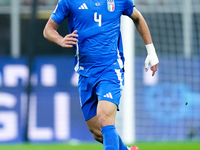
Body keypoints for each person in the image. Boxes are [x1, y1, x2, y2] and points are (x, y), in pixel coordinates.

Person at [43, 0, 159, 149]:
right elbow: (48, 29)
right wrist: (60, 39)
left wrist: (151, 51)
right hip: (85, 73)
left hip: (110, 69)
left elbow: (137, 17)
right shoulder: (68, 1)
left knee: (104, 119)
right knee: (97, 132)